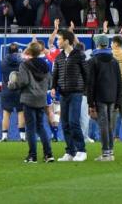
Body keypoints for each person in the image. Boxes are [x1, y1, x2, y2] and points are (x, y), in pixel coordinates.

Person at [8, 41, 54, 163]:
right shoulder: (45, 65)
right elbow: (50, 83)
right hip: (41, 99)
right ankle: (48, 154)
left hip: (28, 98)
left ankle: (32, 155)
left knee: (30, 128)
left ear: (29, 51)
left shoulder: (25, 65)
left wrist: (12, 85)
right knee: (41, 127)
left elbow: (23, 81)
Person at [51, 28, 88, 162]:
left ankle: (81, 150)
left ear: (66, 41)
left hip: (76, 93)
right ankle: (70, 152)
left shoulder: (79, 55)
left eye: (59, 39)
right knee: (65, 123)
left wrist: (86, 90)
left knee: (73, 122)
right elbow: (55, 74)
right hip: (63, 94)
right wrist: (53, 87)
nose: (57, 42)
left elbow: (86, 73)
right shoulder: (59, 57)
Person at [87, 34, 122, 161]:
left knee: (103, 124)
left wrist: (90, 102)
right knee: (109, 125)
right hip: (112, 97)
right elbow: (119, 81)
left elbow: (90, 83)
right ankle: (110, 151)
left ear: (97, 44)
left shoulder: (93, 61)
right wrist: (118, 100)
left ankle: (106, 153)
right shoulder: (114, 61)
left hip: (100, 97)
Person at [0, 43, 25, 142]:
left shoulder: (3, 62)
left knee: (6, 114)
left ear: (8, 51)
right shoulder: (22, 62)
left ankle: (4, 136)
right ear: (18, 50)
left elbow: (2, 72)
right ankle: (22, 137)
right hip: (19, 90)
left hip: (7, 90)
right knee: (21, 112)